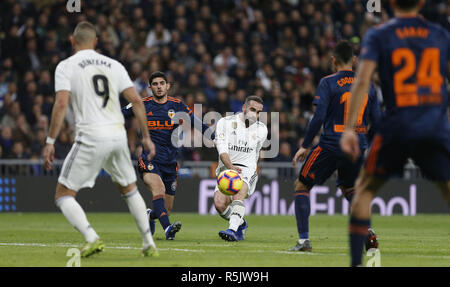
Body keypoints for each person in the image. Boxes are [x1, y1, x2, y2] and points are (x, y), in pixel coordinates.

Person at [340, 0, 449, 266]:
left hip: (397, 126)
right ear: (421, 2)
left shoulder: (380, 34)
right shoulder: (440, 35)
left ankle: (356, 262)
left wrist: (349, 129)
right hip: (434, 125)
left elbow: (363, 80)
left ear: (390, 3)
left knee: (363, 192)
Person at [42, 21, 158, 258]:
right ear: (96, 42)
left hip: (91, 136)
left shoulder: (66, 66)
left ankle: (91, 238)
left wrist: (50, 141)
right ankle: (149, 244)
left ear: (72, 42)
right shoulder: (114, 65)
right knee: (130, 189)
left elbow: (62, 103)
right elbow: (137, 101)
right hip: (117, 135)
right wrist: (146, 137)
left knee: (63, 194)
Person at [290, 40, 381, 252]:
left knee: (302, 186)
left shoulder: (328, 82)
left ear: (333, 60)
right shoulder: (369, 85)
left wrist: (305, 145)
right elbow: (378, 121)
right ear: (355, 60)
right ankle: (367, 230)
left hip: (331, 143)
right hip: (358, 146)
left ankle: (304, 241)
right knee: (349, 188)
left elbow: (318, 116)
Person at [123, 71, 214, 240]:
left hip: (170, 163)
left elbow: (196, 122)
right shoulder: (142, 104)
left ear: (167, 86)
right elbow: (119, 114)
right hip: (149, 160)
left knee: (167, 208)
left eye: (161, 84)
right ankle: (168, 230)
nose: (158, 87)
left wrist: (213, 137)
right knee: (158, 189)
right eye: (155, 84)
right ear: (150, 87)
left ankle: (150, 215)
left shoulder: (177, 105)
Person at [214, 95, 268, 241]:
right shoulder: (224, 123)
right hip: (227, 168)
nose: (255, 115)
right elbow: (223, 151)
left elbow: (257, 153)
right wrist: (231, 167)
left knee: (238, 195)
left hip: (247, 170)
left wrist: (254, 169)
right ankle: (241, 224)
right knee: (219, 204)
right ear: (244, 108)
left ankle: (231, 230)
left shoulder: (262, 130)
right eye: (252, 109)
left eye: (258, 112)